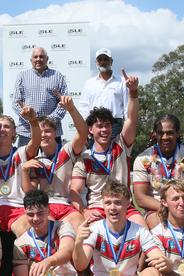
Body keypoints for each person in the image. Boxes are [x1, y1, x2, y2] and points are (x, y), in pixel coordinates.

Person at [70, 70, 146, 227]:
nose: (104, 130)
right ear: (90, 129)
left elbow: (131, 118)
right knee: (87, 239)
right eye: (99, 126)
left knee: (142, 230)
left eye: (107, 125)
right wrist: (85, 211)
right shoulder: (84, 158)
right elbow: (74, 191)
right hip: (98, 208)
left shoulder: (121, 145)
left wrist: (133, 92)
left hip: (124, 205)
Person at [21, 95, 87, 230]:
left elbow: (83, 133)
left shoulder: (66, 150)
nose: (44, 135)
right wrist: (24, 171)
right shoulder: (35, 159)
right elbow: (30, 191)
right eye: (40, 132)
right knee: (43, 229)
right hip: (45, 207)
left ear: (55, 133)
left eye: (48, 131)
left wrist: (72, 109)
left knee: (80, 227)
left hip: (67, 204)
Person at [133, 114, 184, 229]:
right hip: (157, 210)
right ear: (154, 134)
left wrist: (182, 208)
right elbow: (140, 197)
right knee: (158, 224)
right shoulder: (143, 159)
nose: (165, 137)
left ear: (178, 133)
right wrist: (169, 209)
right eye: (160, 133)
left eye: (170, 132)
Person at [0, 111, 40, 236]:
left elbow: (35, 142)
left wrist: (33, 121)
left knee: (25, 235)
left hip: (19, 208)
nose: (2, 129)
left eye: (6, 126)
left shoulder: (22, 153)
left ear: (14, 132)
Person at [12, 47, 67, 146]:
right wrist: (31, 120)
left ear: (47, 59)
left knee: (53, 162)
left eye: (41, 57)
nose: (38, 59)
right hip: (27, 133)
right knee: (26, 161)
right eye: (35, 57)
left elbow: (64, 103)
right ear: (31, 60)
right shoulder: (22, 76)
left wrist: (47, 123)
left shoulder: (58, 76)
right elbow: (16, 102)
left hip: (52, 132)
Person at [79, 48, 129, 141]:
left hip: (115, 125)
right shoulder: (89, 83)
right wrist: (86, 129)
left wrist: (127, 129)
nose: (103, 62)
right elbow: (84, 108)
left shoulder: (122, 81)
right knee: (95, 155)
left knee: (115, 155)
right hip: (94, 124)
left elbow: (127, 107)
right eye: (100, 59)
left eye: (106, 59)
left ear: (111, 61)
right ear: (96, 62)